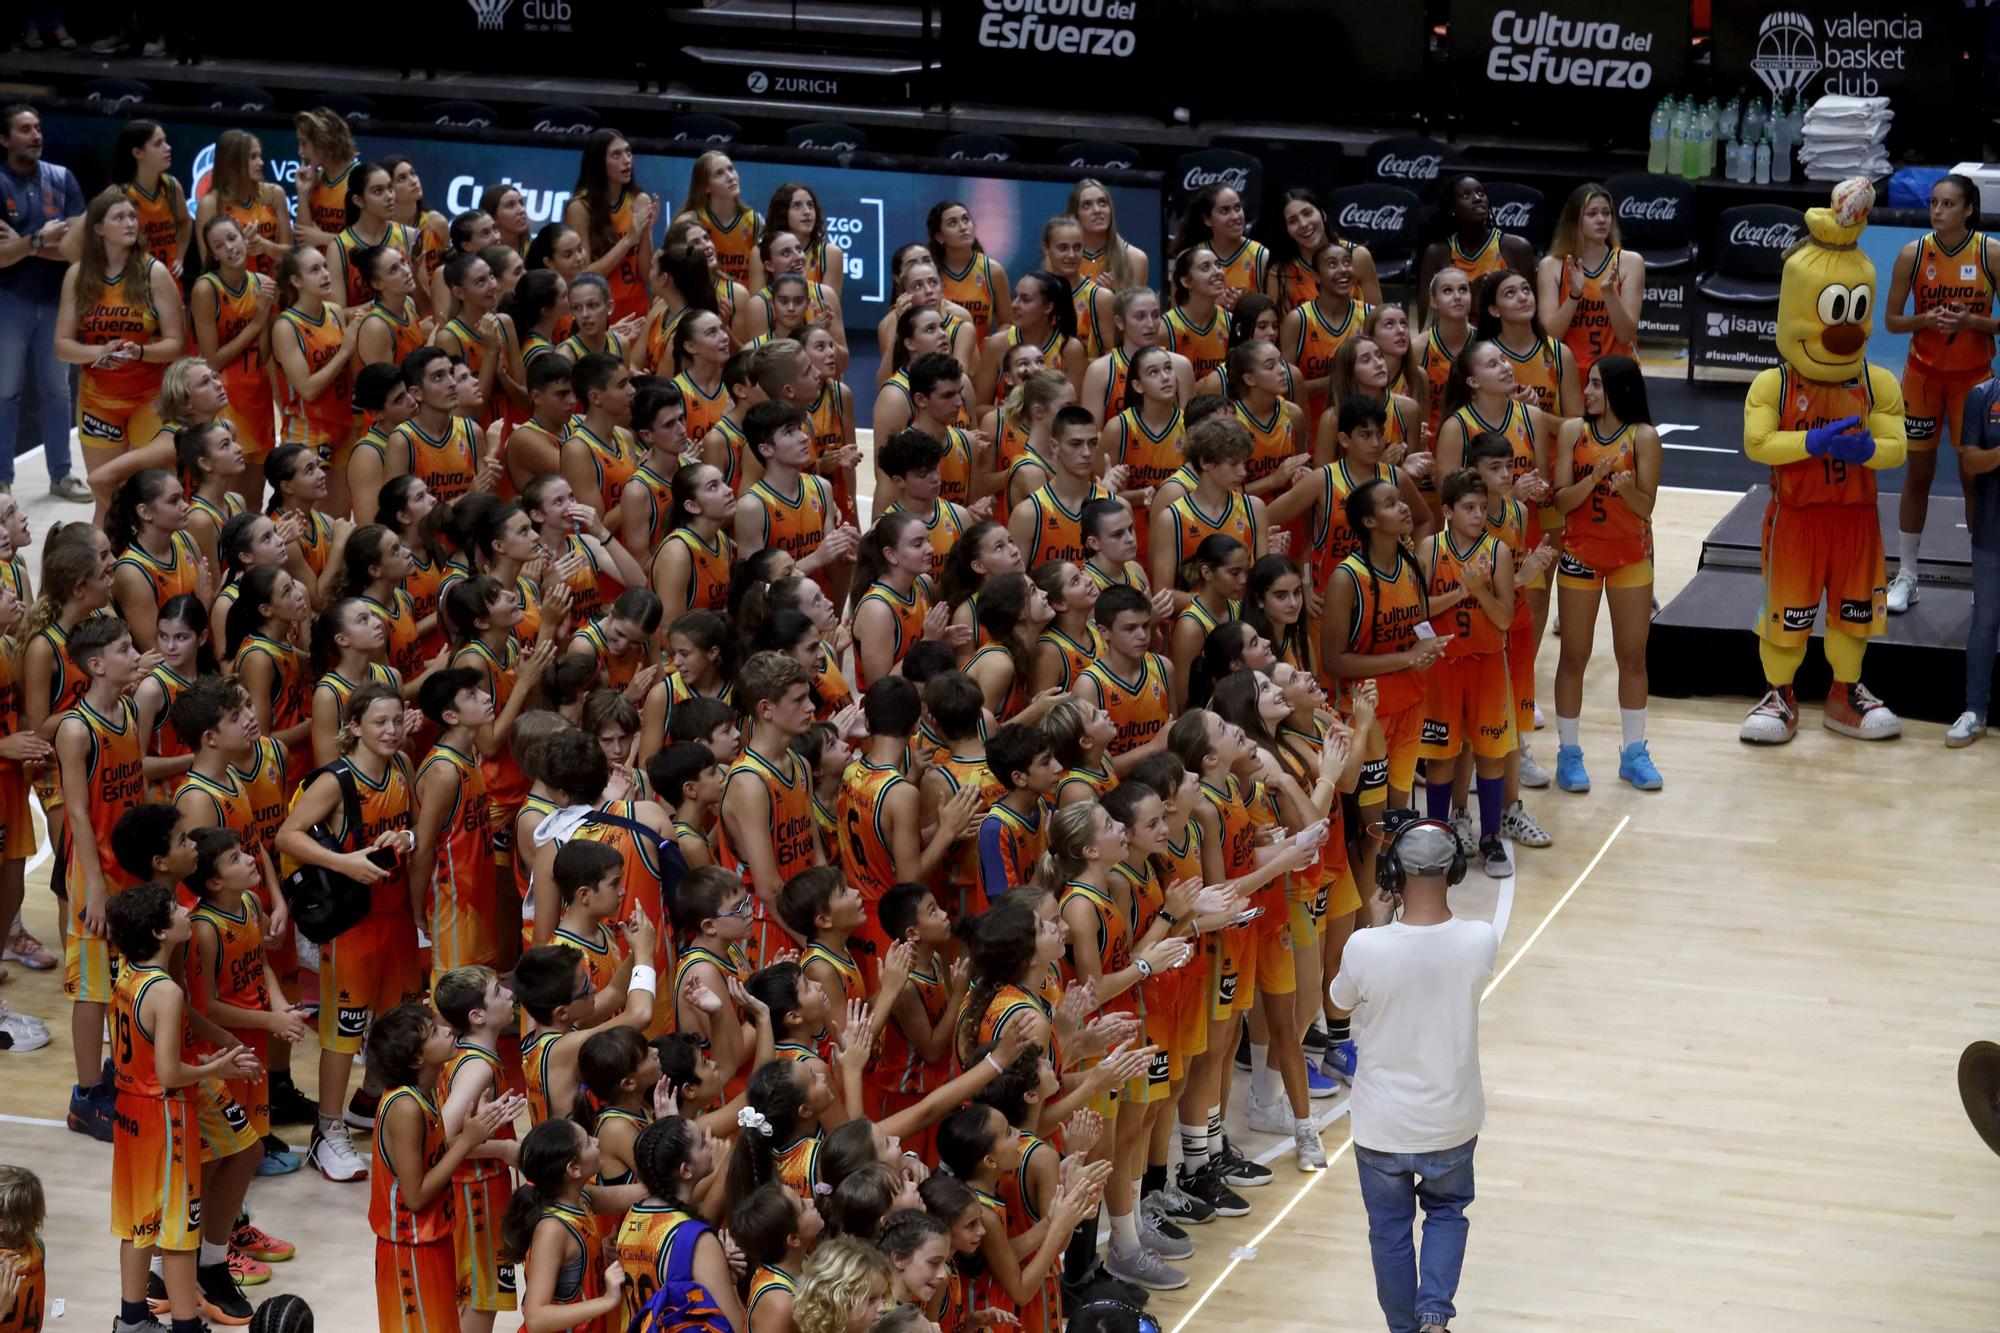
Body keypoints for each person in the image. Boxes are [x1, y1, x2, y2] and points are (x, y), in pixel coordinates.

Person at [1740, 183, 1908, 745]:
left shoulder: (1876, 382)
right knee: (1786, 618)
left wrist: (1867, 452)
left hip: (1856, 520)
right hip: (1797, 518)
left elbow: (1897, 447)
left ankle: (1845, 693)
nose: (1844, 328)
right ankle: (1779, 695)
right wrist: (1813, 445)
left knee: (1855, 615)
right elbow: (1758, 445)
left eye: (1854, 311)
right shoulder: (1775, 383)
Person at [1330, 809, 1495, 1333]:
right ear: (1455, 872)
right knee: (1447, 1213)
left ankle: (1405, 1329)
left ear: (1391, 877)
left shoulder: (1364, 946)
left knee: (1389, 1232)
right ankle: (1433, 1317)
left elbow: (1337, 1004)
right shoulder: (1480, 940)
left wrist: (1376, 928)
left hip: (1381, 1124)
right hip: (1450, 1118)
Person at [1882, 173, 2000, 614]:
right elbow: (1893, 321)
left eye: (1948, 204)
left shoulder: (1989, 253)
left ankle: (1982, 578)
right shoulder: (1913, 255)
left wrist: (1973, 323)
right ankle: (1908, 575)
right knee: (1917, 476)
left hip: (1974, 384)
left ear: (1969, 208)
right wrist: (1925, 320)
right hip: (1923, 379)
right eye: (1933, 203)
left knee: (1975, 482)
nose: (1937, 211)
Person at [1550, 355, 1662, 792]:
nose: (1588, 392)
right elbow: (1560, 503)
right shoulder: (1572, 432)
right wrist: (1593, 480)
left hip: (1630, 558)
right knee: (1573, 656)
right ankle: (1568, 754)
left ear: (1619, 390)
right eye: (1588, 383)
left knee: (1632, 657)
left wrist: (1624, 488)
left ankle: (1634, 753)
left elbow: (1647, 507)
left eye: (1596, 385)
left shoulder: (1643, 437)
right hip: (1580, 555)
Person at [57, 188, 187, 476]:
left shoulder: (155, 273)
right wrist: (99, 352)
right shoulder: (78, 275)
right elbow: (63, 345)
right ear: (99, 229)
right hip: (98, 402)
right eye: (119, 218)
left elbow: (176, 344)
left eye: (132, 216)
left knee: (154, 491)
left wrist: (138, 351)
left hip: (149, 398)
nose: (130, 223)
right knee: (106, 492)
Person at [0, 104, 91, 500]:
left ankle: (62, 475)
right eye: (24, 129)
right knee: (5, 391)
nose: (35, 135)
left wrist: (25, 244)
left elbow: (78, 247)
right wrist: (41, 239)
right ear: (5, 139)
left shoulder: (62, 178)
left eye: (37, 128)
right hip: (10, 300)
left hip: (57, 301)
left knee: (58, 391)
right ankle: (1, 478)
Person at [1537, 183, 1643, 386]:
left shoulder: (1630, 262)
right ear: (1574, 220)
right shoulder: (1551, 266)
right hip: (1568, 372)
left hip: (1616, 371)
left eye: (1606, 213)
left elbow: (1625, 335)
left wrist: (1609, 293)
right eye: (1592, 214)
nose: (1602, 220)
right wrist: (1574, 296)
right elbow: (1552, 336)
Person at [1950, 373, 2000, 745]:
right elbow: (1970, 461)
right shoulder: (1982, 397)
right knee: (1984, 624)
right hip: (1991, 530)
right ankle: (1975, 711)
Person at [1415, 174, 1536, 320]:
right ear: (1452, 209)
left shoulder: (1517, 248)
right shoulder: (1437, 253)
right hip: (1454, 337)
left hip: (1503, 337)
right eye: (1466, 195)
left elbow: (1532, 313)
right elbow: (1425, 322)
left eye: (1481, 193)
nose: (1478, 198)